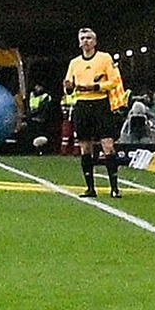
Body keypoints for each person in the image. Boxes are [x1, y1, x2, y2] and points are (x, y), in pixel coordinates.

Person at [62, 27, 129, 198]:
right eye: (83, 38)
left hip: (101, 103)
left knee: (107, 144)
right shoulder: (74, 63)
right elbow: (69, 85)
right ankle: (90, 188)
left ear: (95, 41)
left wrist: (97, 86)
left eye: (89, 38)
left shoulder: (104, 58)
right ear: (79, 42)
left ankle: (114, 188)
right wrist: (68, 87)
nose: (86, 41)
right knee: (85, 146)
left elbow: (114, 81)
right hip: (82, 105)